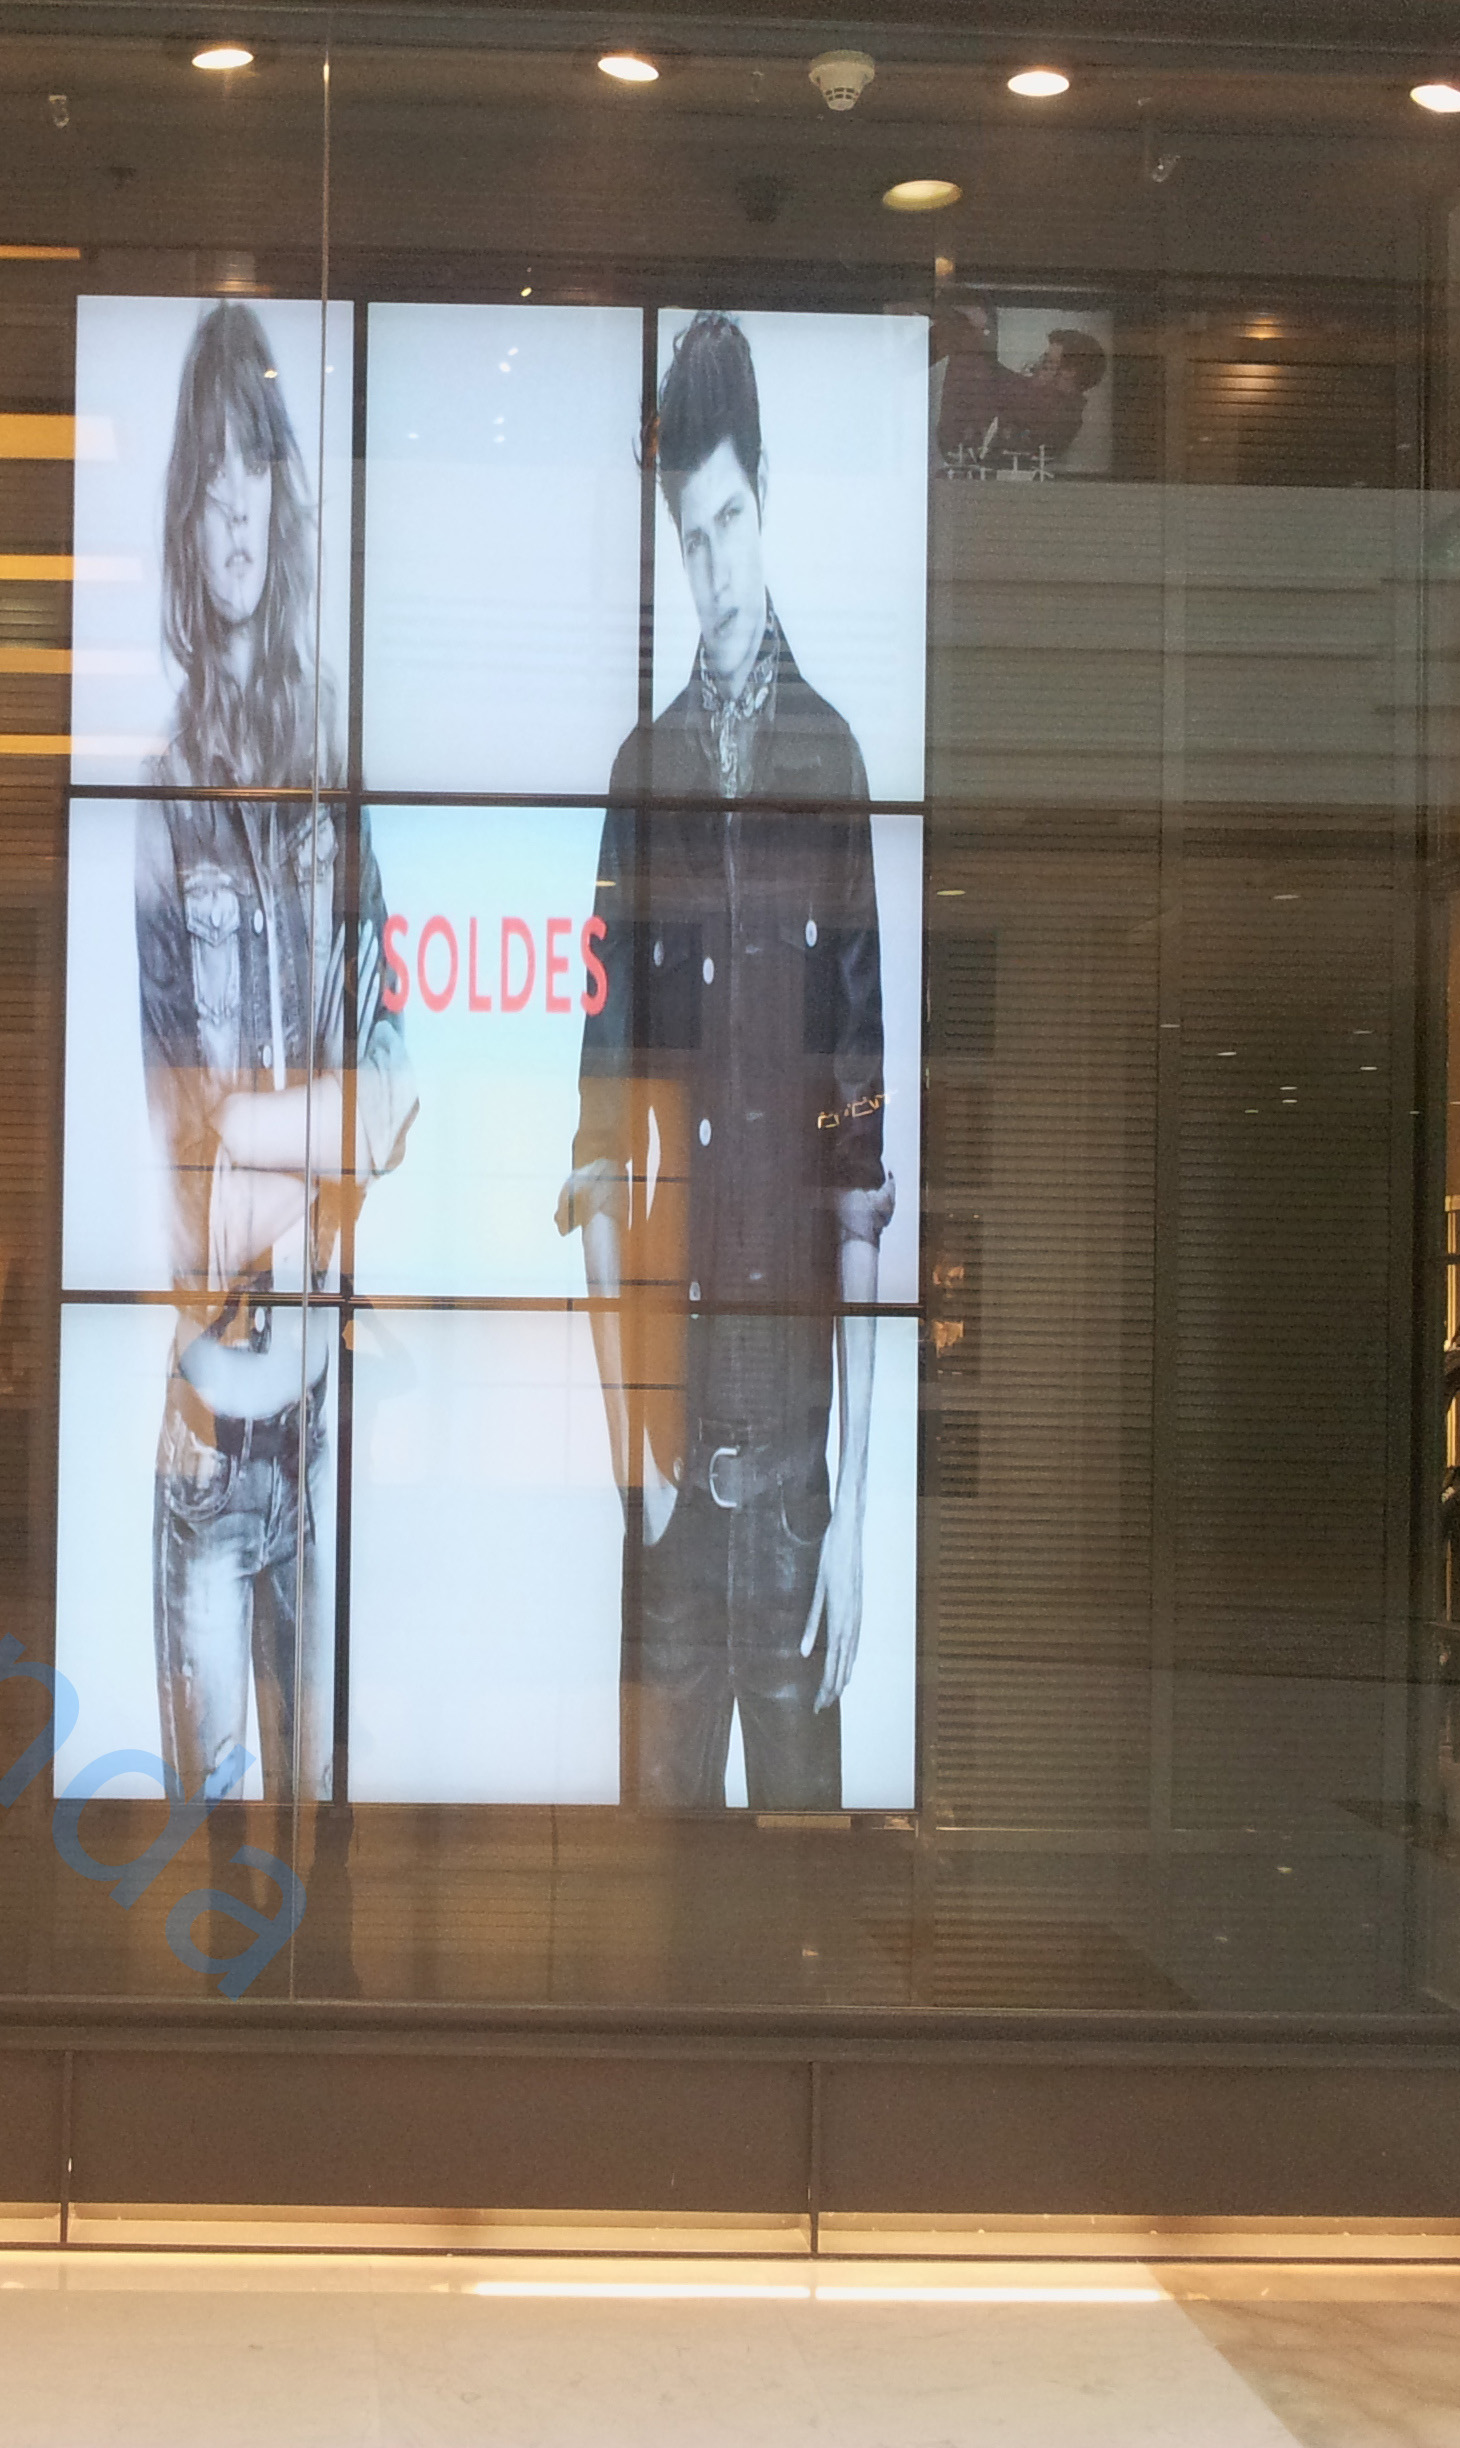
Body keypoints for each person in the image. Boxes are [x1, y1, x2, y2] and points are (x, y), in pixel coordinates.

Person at [560, 311, 892, 1811]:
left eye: (731, 520)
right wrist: (633, 1464)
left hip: (800, 1482)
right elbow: (594, 1140)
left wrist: (859, 1516)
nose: (713, 567)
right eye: (688, 538)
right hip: (675, 1487)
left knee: (809, 1890)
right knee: (656, 1885)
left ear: (767, 497)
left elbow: (860, 1166)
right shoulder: (643, 780)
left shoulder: (833, 761)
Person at [132, 300, 414, 1811]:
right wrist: (304, 1130)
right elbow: (187, 1158)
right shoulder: (159, 798)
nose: (235, 509)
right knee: (203, 1877)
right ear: (186, 514)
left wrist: (263, 1129)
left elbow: (396, 1095)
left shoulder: (334, 771)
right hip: (204, 1430)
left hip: (318, 1424)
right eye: (211, 477)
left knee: (329, 1858)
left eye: (257, 471)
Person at [935, 306, 1110, 475]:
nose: (1037, 366)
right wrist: (982, 328)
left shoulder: (1059, 416)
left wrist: (984, 329)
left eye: (1048, 362)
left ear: (1069, 372)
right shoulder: (1039, 396)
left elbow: (996, 381)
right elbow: (996, 376)